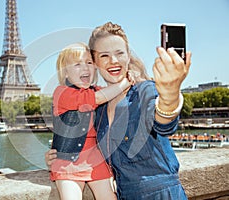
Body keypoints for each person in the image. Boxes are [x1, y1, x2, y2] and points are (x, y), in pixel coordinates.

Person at [46, 22, 192, 199]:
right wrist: (58, 154)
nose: (113, 61)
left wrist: (170, 95)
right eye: (104, 55)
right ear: (96, 63)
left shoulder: (144, 90)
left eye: (119, 53)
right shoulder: (98, 109)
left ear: (128, 56)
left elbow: (164, 124)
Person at [50, 42, 134, 200]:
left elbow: (116, 96)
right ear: (65, 73)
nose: (85, 68)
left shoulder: (99, 90)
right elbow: (97, 99)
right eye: (77, 64)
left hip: (95, 160)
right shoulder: (62, 93)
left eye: (89, 62)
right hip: (67, 162)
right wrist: (125, 83)